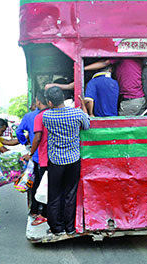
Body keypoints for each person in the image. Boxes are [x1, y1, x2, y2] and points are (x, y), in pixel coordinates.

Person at [42, 87, 90, 236]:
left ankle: (57, 228)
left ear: (49, 102)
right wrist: (83, 108)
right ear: (63, 98)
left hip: (56, 161)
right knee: (70, 194)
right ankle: (70, 227)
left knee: (55, 195)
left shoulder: (47, 116)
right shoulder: (77, 113)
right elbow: (87, 126)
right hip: (73, 160)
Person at [23, 90, 49, 226]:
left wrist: (30, 152)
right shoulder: (55, 113)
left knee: (40, 186)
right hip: (58, 158)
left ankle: (40, 212)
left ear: (38, 102)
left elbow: (37, 138)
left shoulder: (38, 116)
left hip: (41, 158)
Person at [16, 103, 40, 209]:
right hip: (50, 156)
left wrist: (24, 142)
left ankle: (35, 208)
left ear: (37, 103)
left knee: (35, 182)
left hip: (35, 155)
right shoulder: (50, 113)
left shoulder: (29, 116)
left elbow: (18, 131)